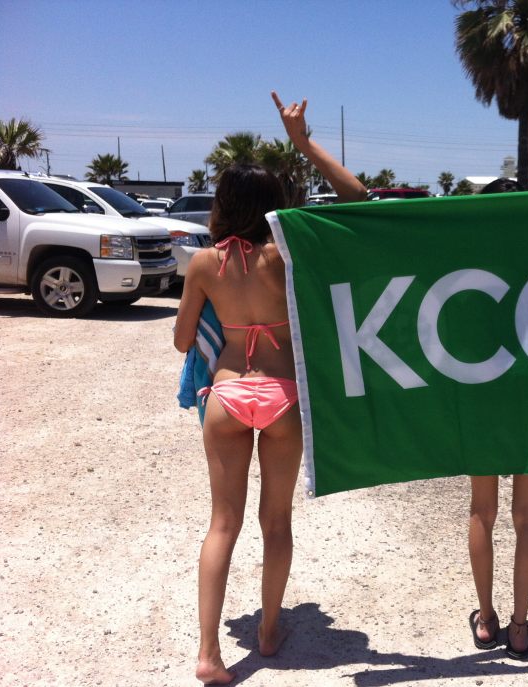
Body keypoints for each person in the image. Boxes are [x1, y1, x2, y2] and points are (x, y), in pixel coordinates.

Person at [174, 91, 366, 685]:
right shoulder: (289, 251)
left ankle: (210, 653)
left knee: (221, 523)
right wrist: (302, 143)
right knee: (275, 522)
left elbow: (182, 342)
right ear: (274, 203)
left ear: (223, 204)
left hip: (228, 395)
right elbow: (359, 201)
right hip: (283, 397)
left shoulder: (204, 263)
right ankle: (268, 629)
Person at [467, 177, 528, 660]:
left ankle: (486, 619)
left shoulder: (465, 269)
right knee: (526, 516)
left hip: (482, 395)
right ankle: (518, 627)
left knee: (482, 512)